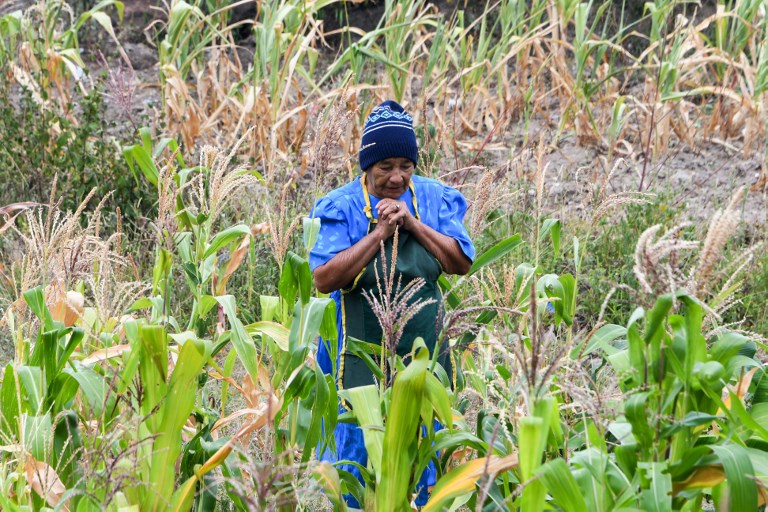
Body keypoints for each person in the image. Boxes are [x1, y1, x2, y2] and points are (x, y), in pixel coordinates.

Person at [309, 100, 475, 508]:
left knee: (423, 442)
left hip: (422, 346)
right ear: (366, 165)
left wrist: (412, 223)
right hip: (357, 347)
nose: (396, 177)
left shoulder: (435, 199)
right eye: (385, 167)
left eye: (406, 165)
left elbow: (460, 262)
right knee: (359, 443)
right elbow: (323, 277)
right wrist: (381, 232)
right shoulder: (340, 207)